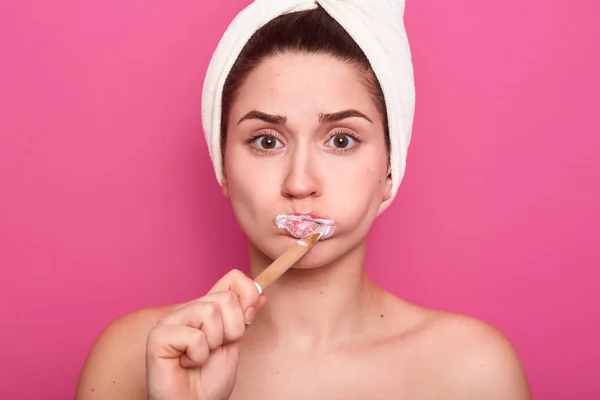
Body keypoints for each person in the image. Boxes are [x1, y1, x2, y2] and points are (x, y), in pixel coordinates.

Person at [75, 1, 532, 399]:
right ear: (223, 168)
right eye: (267, 142)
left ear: (391, 170)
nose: (300, 182)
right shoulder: (137, 356)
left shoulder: (473, 370)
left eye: (341, 140)